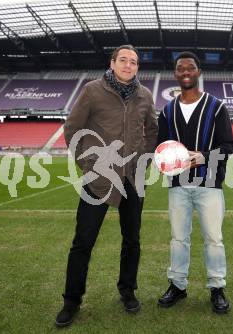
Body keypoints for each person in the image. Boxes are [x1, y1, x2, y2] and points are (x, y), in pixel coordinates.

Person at [55, 45, 158, 327]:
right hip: (98, 178)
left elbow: (152, 131)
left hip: (133, 180)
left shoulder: (145, 95)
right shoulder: (92, 90)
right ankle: (71, 301)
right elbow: (72, 129)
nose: (128, 65)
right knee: (83, 242)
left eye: (134, 62)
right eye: (123, 60)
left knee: (132, 241)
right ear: (112, 63)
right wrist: (87, 163)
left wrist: (143, 162)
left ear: (137, 67)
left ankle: (127, 291)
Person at [156, 51, 233, 314]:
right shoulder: (167, 111)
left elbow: (228, 146)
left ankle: (217, 288)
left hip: (209, 184)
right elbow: (161, 146)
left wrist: (203, 156)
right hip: (178, 185)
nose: (186, 72)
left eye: (190, 68)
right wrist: (166, 160)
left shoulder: (217, 106)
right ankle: (177, 286)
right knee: (179, 239)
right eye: (181, 69)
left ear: (198, 72)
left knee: (214, 239)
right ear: (176, 74)